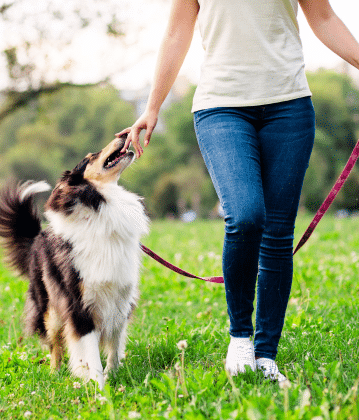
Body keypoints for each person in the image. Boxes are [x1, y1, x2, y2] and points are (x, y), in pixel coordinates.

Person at [117, 0, 359, 383]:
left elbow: (324, 18)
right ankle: (240, 338)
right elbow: (176, 32)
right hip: (221, 108)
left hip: (290, 107)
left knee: (277, 236)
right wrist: (153, 105)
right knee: (246, 216)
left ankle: (266, 357)